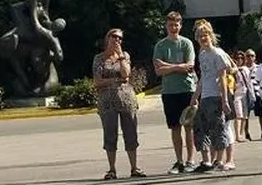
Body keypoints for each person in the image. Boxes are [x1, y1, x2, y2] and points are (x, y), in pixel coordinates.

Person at [92, 29, 144, 180]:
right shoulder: (99, 58)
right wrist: (115, 80)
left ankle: (134, 168)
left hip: (126, 99)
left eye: (120, 38)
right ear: (107, 38)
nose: (117, 40)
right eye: (114, 37)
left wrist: (120, 56)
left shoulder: (124, 55)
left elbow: (126, 74)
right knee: (110, 134)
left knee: (130, 133)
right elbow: (97, 81)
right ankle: (112, 169)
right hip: (107, 102)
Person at [152, 11, 197, 174]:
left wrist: (168, 66)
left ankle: (191, 160)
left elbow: (190, 65)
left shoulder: (186, 43)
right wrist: (179, 67)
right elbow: (158, 70)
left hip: (187, 89)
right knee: (175, 127)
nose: (173, 27)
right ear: (166, 26)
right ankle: (179, 161)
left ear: (180, 25)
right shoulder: (160, 46)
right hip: (169, 92)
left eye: (176, 25)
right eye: (170, 25)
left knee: (189, 126)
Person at [189, 20, 233, 172]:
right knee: (200, 128)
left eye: (205, 35)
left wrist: (225, 100)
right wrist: (195, 95)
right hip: (204, 97)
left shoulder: (217, 54)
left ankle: (219, 160)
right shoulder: (202, 55)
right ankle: (206, 160)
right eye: (200, 36)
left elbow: (223, 78)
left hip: (216, 96)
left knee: (217, 128)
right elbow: (203, 77)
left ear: (211, 35)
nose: (203, 38)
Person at [231, 51, 255, 142]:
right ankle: (237, 135)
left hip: (245, 93)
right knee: (238, 115)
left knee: (245, 116)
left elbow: (249, 83)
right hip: (236, 94)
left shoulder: (245, 69)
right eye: (238, 58)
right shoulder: (232, 69)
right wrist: (235, 68)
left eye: (241, 58)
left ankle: (241, 134)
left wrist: (252, 94)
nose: (240, 60)